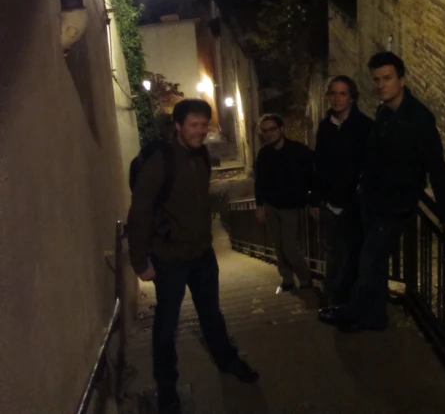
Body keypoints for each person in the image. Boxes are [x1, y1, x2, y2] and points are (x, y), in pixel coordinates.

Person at [127, 99, 258, 414]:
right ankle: (167, 388)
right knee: (166, 324)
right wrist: (139, 261)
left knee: (211, 313)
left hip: (201, 253)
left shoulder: (201, 155)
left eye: (204, 125)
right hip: (170, 258)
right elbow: (140, 212)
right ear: (178, 126)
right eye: (193, 125)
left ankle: (227, 360)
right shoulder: (161, 161)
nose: (200, 131)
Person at [319, 52, 445, 333]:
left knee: (369, 262)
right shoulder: (384, 112)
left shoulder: (418, 118)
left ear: (402, 80)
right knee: (370, 263)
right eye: (376, 79)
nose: (381, 85)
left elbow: (437, 167)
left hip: (396, 206)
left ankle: (353, 313)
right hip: (373, 202)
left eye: (387, 78)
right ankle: (373, 317)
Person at [311, 76, 373, 305]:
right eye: (333, 93)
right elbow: (319, 164)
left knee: (355, 255)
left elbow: (370, 166)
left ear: (352, 97)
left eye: (342, 94)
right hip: (330, 204)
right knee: (333, 255)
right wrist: (316, 200)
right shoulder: (325, 127)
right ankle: (332, 300)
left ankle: (352, 301)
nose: (336, 98)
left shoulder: (365, 127)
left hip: (355, 205)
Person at [254, 114, 314, 291]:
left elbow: (313, 172)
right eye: (265, 131)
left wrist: (310, 197)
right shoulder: (264, 153)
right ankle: (287, 278)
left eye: (272, 129)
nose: (268, 134)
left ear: (281, 129)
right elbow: (259, 181)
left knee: (289, 245)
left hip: (291, 206)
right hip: (271, 205)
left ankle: (305, 278)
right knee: (277, 245)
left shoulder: (298, 150)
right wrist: (259, 205)